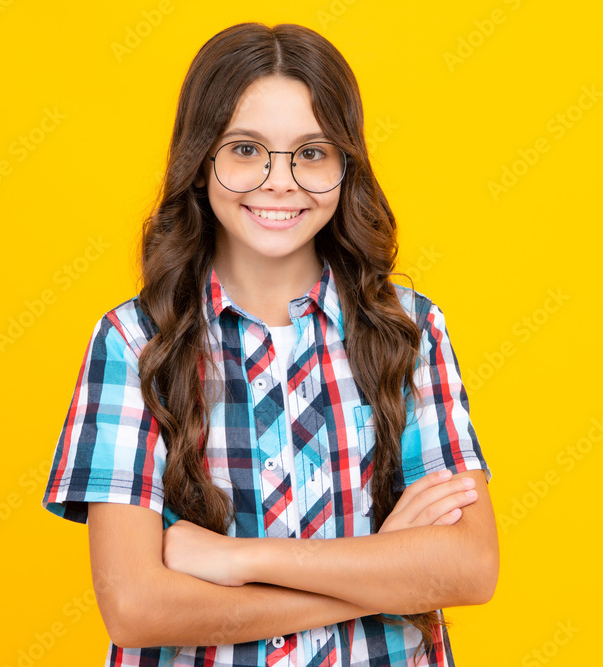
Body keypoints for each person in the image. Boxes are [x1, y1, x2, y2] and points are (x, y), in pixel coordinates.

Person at [42, 22, 497, 667]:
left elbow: (470, 567)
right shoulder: (133, 342)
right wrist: (381, 573)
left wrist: (236, 559)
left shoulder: (408, 331)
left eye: (311, 153)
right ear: (201, 164)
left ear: (346, 166)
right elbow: (137, 607)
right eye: (247, 149)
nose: (279, 181)